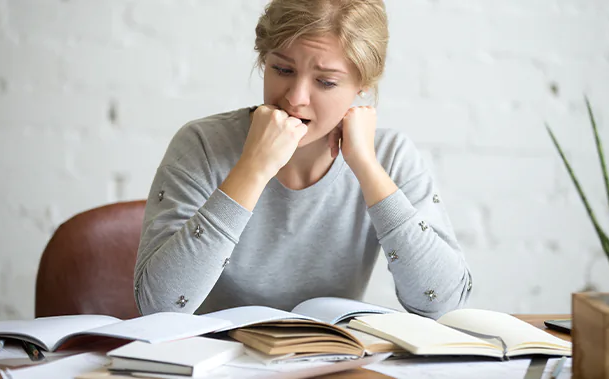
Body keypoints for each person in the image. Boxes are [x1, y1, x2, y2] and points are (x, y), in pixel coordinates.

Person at [134, 0, 472, 320]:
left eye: (325, 82)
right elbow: (160, 307)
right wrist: (252, 169)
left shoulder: (390, 156)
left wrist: (368, 170)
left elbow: (442, 303)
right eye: (282, 69)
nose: (295, 98)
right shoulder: (203, 145)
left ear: (363, 85)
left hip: (330, 361)